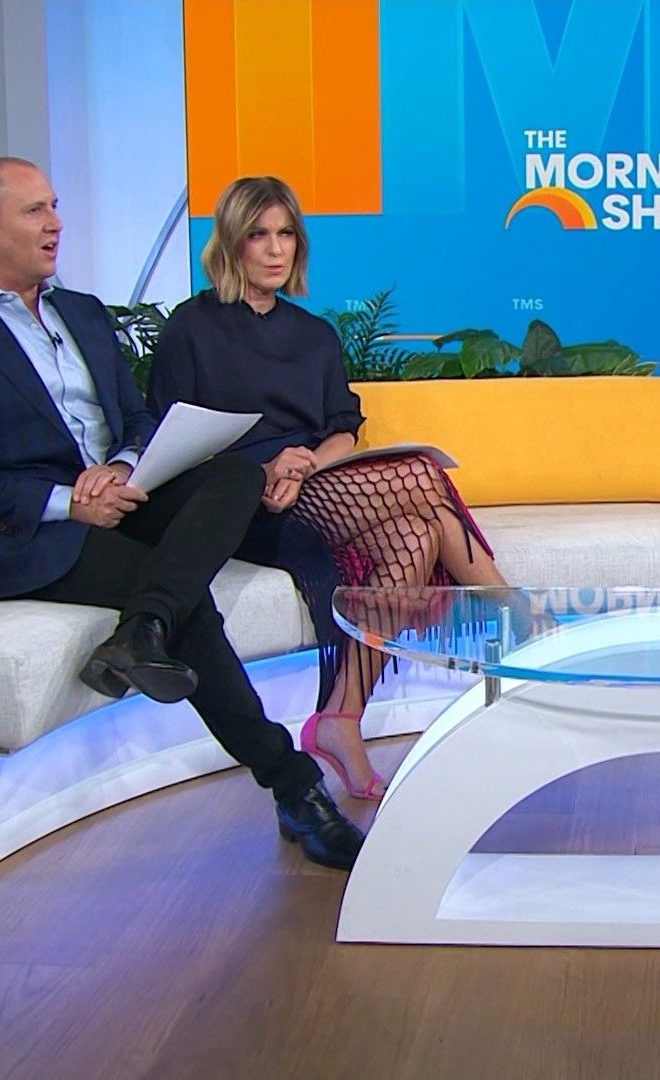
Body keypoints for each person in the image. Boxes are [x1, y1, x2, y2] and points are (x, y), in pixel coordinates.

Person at [0, 156, 363, 868]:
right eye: (35, 210)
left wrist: (124, 467)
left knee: (236, 475)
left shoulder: (81, 313)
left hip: (120, 493)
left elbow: (137, 417)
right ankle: (295, 787)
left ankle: (142, 630)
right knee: (185, 601)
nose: (55, 224)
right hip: (29, 533)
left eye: (55, 206)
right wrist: (69, 503)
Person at [148, 175, 516, 802]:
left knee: (416, 533)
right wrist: (267, 472)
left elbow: (343, 426)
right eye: (258, 235)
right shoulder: (193, 328)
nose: (275, 249)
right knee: (421, 478)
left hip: (314, 484)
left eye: (286, 233)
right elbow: (173, 440)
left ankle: (341, 717)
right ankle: (525, 625)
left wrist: (305, 466)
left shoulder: (311, 333)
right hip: (241, 499)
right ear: (231, 243)